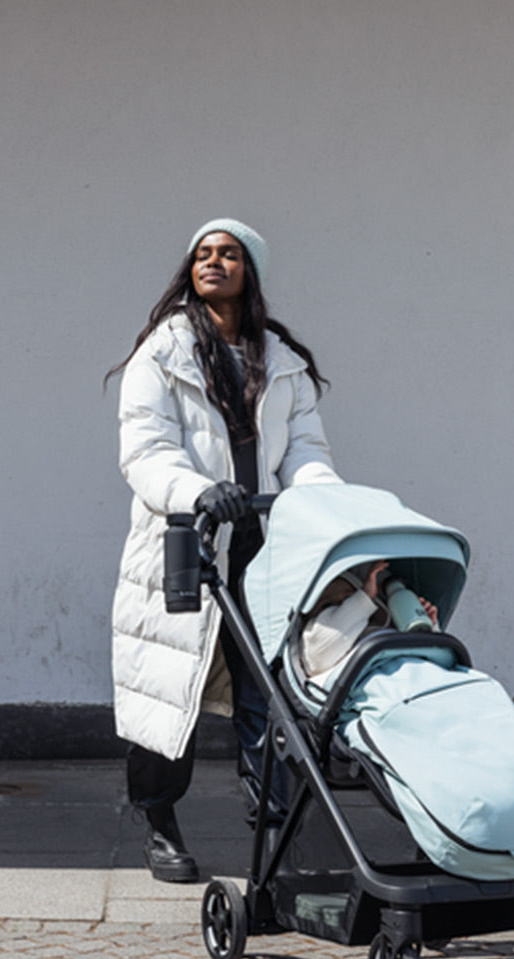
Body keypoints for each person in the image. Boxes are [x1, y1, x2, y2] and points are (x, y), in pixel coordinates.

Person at [106, 217, 340, 883]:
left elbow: (305, 452)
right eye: (203, 254)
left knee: (267, 692)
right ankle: (159, 824)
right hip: (187, 543)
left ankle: (273, 832)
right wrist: (200, 493)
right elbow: (146, 451)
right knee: (167, 695)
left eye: (228, 254)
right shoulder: (165, 351)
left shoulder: (282, 361)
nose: (214, 262)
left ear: (249, 272)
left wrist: (320, 498)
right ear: (191, 271)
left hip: (260, 547)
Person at [301, 561, 439, 687]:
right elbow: (318, 658)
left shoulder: (382, 626)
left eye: (349, 597)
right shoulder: (315, 644)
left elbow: (435, 661)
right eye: (329, 605)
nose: (344, 604)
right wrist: (364, 597)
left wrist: (428, 629)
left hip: (419, 674)